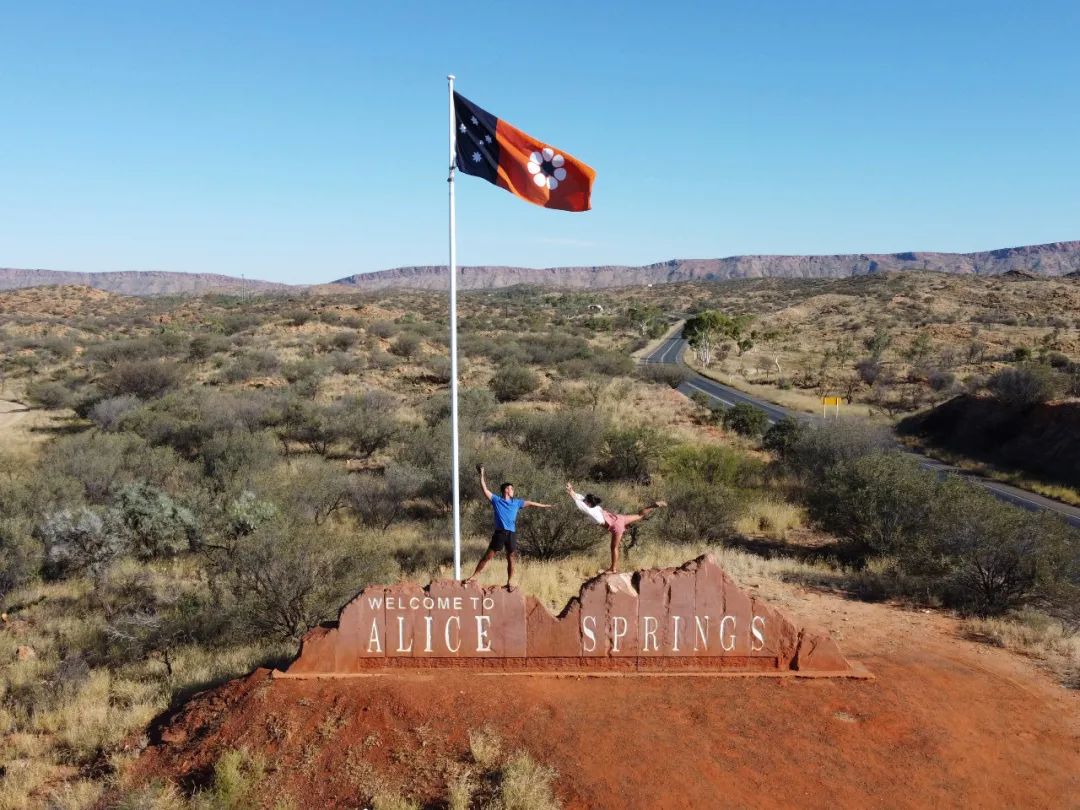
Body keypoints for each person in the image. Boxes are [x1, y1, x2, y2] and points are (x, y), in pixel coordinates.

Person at [464, 465, 552, 588]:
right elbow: (484, 489)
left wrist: (545, 506)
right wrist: (482, 474)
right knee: (488, 556)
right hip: (500, 533)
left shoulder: (517, 503)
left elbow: (531, 503)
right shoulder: (496, 500)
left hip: (511, 533)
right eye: (511, 489)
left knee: (511, 558)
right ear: (506, 490)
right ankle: (474, 576)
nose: (513, 491)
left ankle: (510, 581)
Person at [566, 482, 666, 574]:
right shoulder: (595, 507)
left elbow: (580, 503)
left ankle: (613, 568)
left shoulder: (590, 511)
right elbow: (580, 499)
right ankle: (653, 506)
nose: (583, 501)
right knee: (639, 515)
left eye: (585, 501)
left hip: (615, 526)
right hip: (620, 518)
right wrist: (572, 490)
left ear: (589, 503)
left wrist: (571, 493)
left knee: (614, 548)